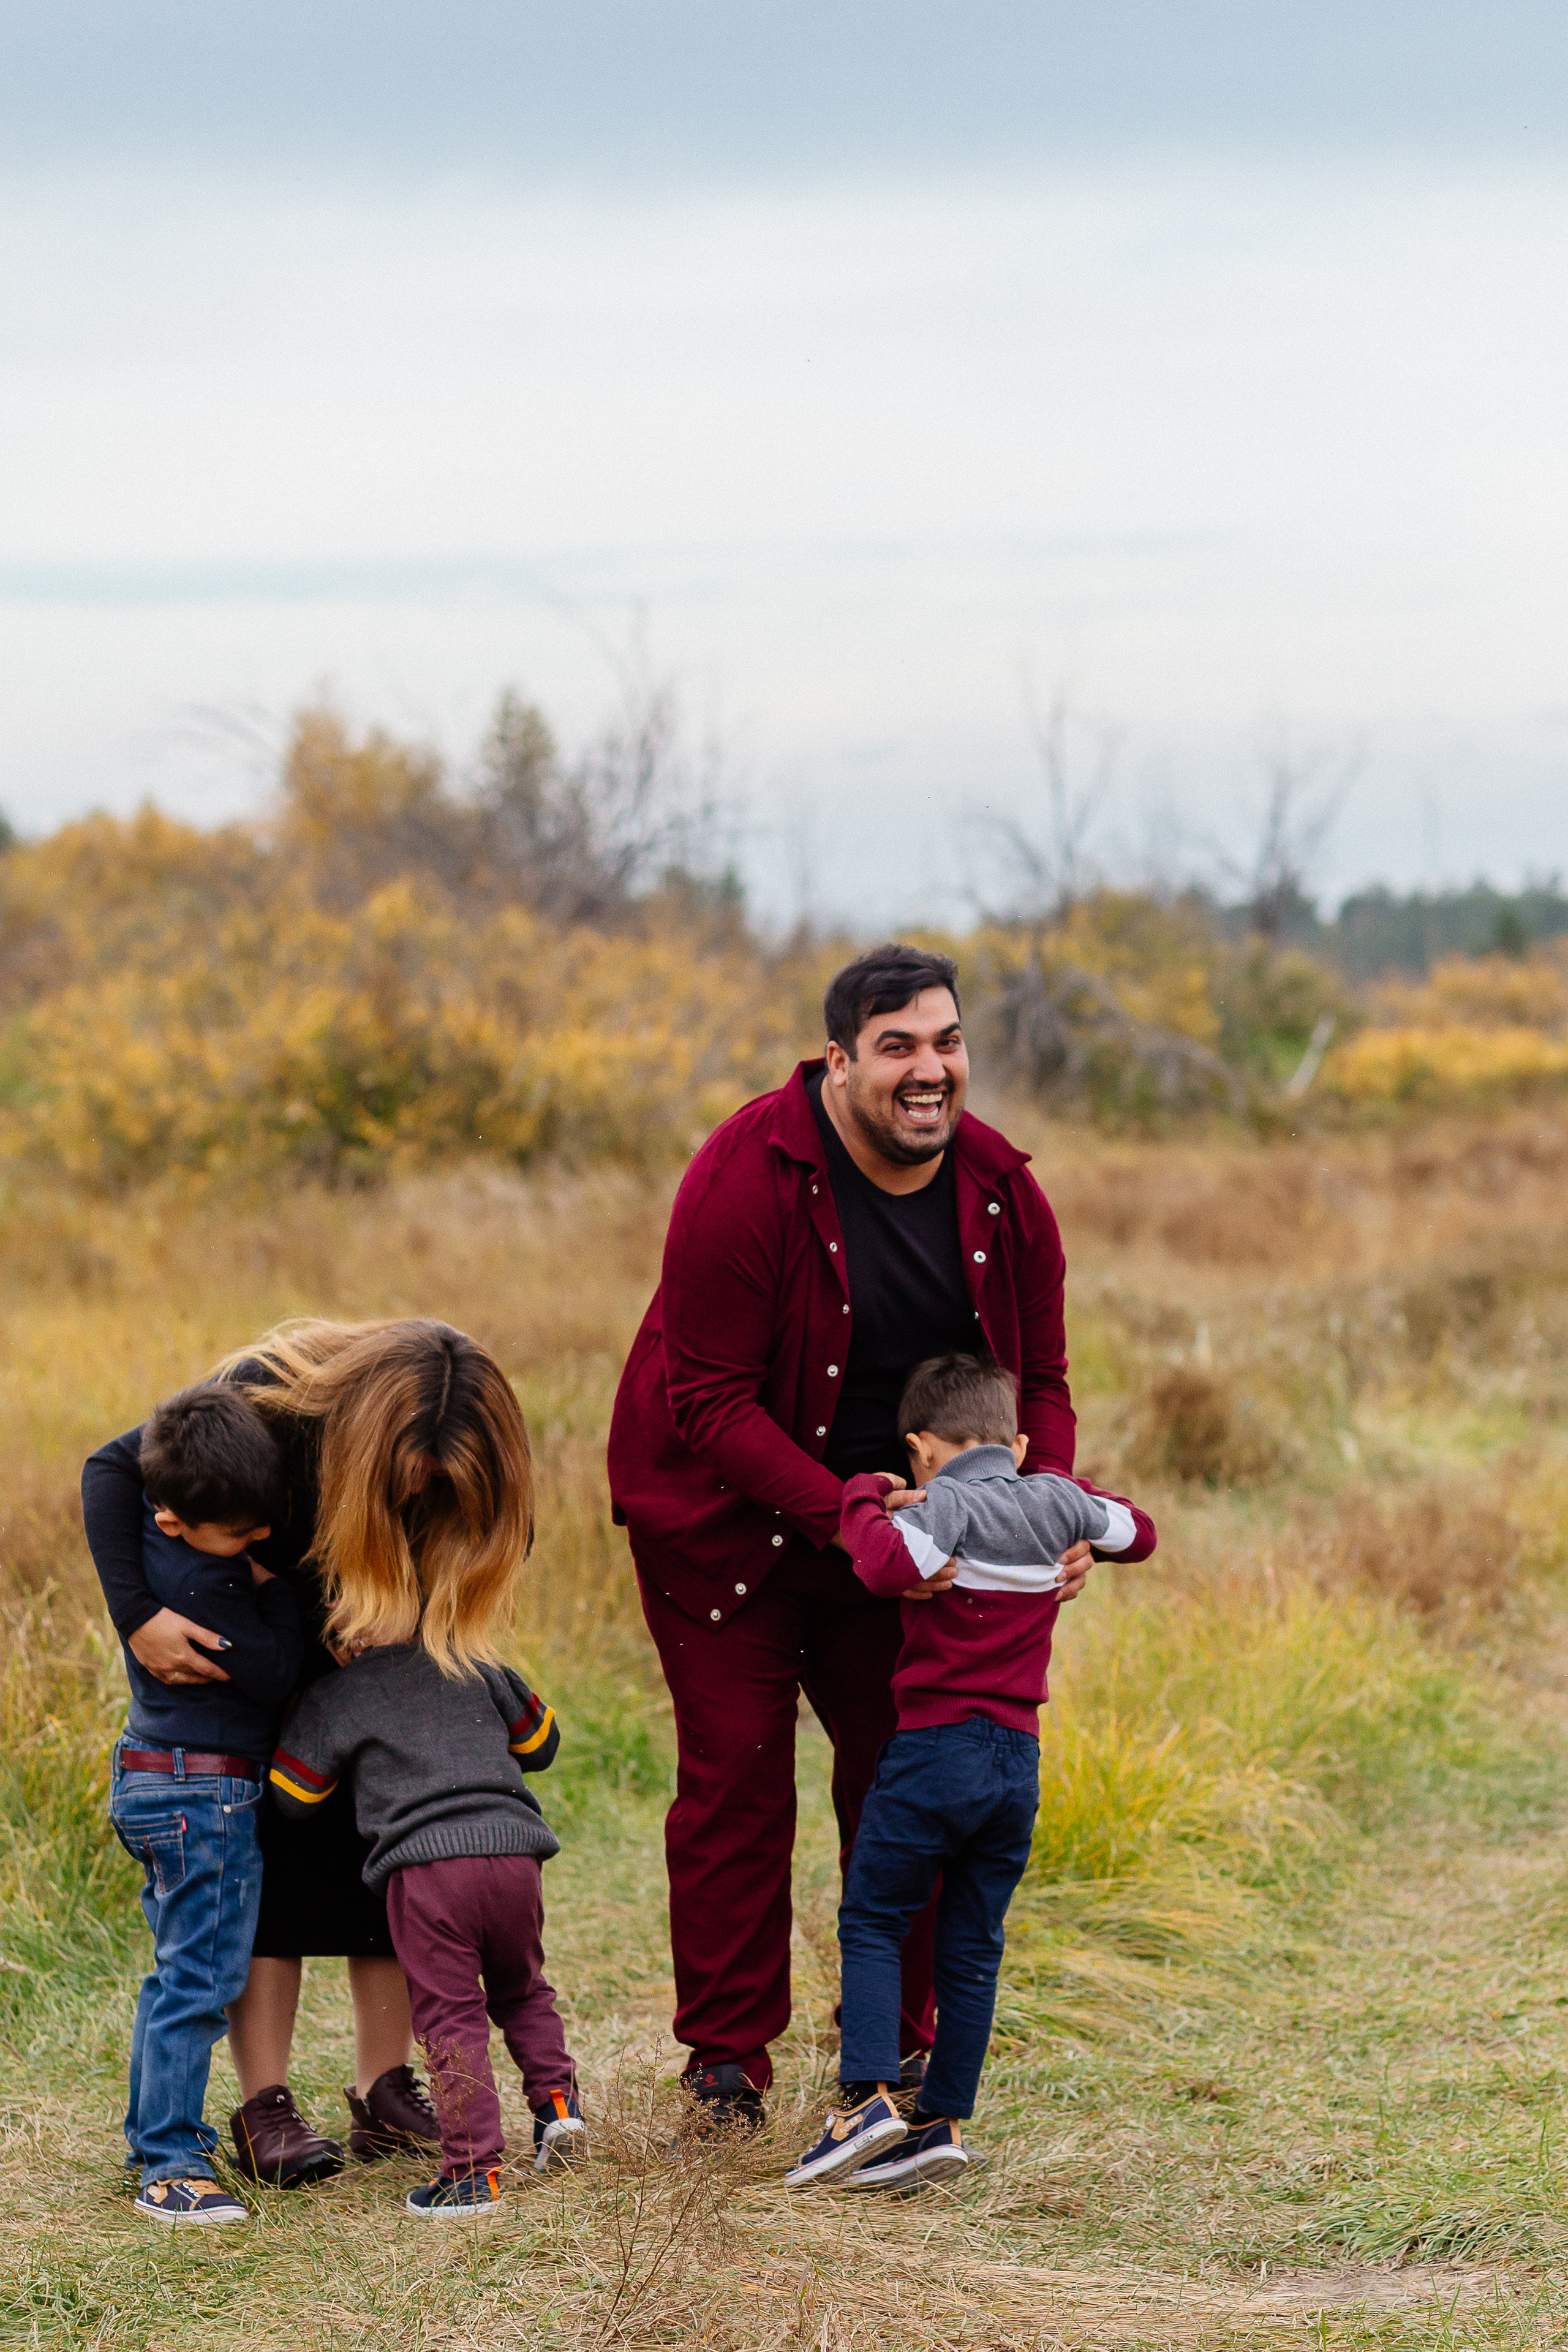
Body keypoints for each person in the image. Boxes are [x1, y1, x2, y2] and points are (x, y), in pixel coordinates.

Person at [608, 942, 1106, 2129]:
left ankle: (889, 2053)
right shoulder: (744, 1176)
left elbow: (1041, 1382)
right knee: (734, 1786)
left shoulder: (999, 1192)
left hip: (898, 1543)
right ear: (838, 1062)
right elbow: (706, 1400)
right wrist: (846, 1508)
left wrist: (1053, 1511)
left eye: (945, 1042)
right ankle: (725, 2071)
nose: (928, 1071)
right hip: (721, 1524)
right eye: (897, 1048)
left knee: (905, 1772)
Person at [82, 1318, 521, 2182]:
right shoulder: (273, 1407)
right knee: (270, 1890)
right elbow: (111, 1468)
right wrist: (137, 1617)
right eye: (404, 1480)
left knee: (389, 1867)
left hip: (376, 1680)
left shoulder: (470, 1453)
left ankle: (385, 2092)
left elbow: (491, 1538)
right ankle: (265, 2108)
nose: (416, 1497)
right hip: (265, 1694)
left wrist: (418, 1616)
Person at [785, 1351, 1156, 2191]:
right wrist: (1070, 1494)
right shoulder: (1056, 1499)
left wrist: (862, 1496)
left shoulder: (941, 1502)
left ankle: (867, 2102)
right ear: (1018, 1443)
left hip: (933, 1748)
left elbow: (883, 1566)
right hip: (1016, 1761)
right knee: (973, 1943)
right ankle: (943, 2121)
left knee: (876, 1915)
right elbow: (1139, 1531)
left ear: (922, 1449)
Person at [267, 1526, 583, 2218]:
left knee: (450, 2014)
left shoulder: (339, 1694)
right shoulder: (476, 1663)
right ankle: (557, 2105)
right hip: (514, 1857)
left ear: (340, 1632)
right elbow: (542, 1742)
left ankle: (474, 2170)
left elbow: (293, 1796)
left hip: (427, 1871)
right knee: (522, 1988)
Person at [108, 1383, 303, 2225]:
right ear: (170, 1519)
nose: (257, 1539)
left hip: (154, 1778)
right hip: (206, 1793)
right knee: (200, 1978)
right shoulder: (211, 1585)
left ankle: (153, 2135)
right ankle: (169, 2164)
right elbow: (274, 1671)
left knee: (176, 1974)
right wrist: (279, 1591)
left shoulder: (161, 1557)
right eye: (241, 1530)